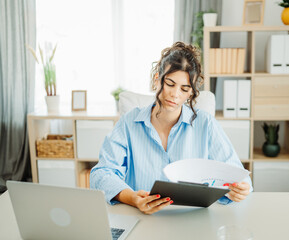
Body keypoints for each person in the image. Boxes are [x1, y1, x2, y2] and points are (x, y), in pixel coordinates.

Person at [90, 42, 253, 215]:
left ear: (191, 93)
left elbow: (242, 178)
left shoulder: (206, 124)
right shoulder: (129, 123)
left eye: (184, 89)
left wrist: (240, 189)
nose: (175, 94)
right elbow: (101, 174)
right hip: (142, 218)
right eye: (170, 83)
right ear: (156, 80)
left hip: (192, 221)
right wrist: (133, 198)